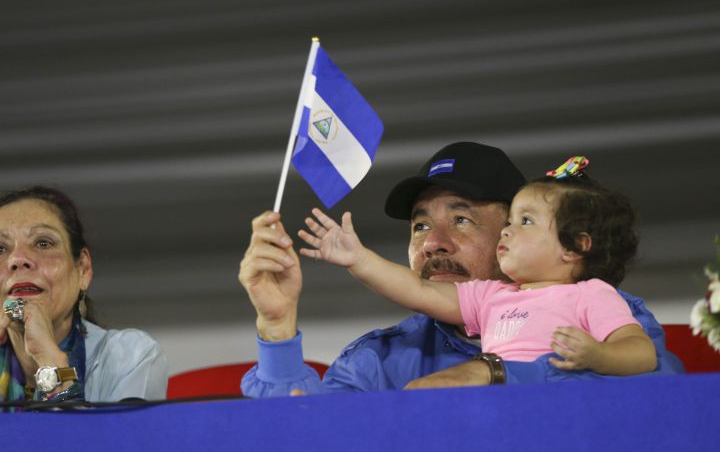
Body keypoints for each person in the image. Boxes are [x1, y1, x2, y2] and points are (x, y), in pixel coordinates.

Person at [239, 142, 683, 396]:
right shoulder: (379, 360)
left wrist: (494, 372)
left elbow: (660, 399)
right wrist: (277, 325)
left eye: (462, 219)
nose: (433, 243)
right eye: (420, 225)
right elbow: (300, 448)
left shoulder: (604, 309)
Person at [298, 156, 657, 377]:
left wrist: (598, 356)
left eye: (525, 221)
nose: (509, 231)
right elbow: (417, 290)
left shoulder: (594, 295)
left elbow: (643, 357)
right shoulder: (491, 298)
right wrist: (358, 259)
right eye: (420, 225)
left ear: (576, 246)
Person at [0, 186, 168, 419]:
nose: (18, 259)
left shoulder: (130, 357)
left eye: (43, 243)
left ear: (83, 270)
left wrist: (49, 358)